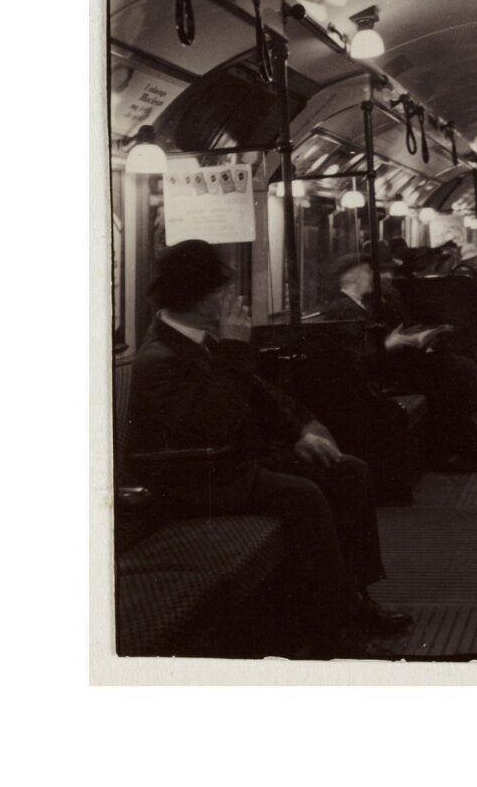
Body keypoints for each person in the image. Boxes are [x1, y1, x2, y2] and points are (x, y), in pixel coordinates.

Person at [125, 239, 411, 656]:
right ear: (200, 298)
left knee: (348, 471)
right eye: (223, 291)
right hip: (196, 478)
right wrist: (235, 348)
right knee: (303, 495)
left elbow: (259, 395)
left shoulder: (198, 339)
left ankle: (356, 599)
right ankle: (335, 624)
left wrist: (298, 434)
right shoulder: (161, 358)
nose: (233, 299)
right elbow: (214, 426)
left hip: (231, 464)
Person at [324, 249, 477, 469]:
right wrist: (388, 345)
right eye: (366, 271)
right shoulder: (344, 310)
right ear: (350, 277)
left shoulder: (360, 304)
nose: (372, 275)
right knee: (444, 376)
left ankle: (469, 442)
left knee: (448, 370)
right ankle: (458, 448)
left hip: (388, 367)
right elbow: (355, 357)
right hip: (377, 378)